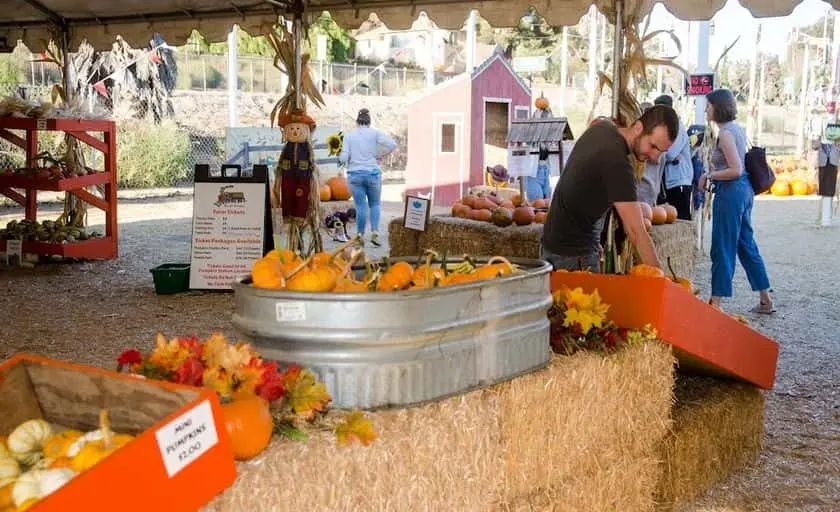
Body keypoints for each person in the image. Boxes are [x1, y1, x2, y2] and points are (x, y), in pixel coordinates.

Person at [541, 105, 680, 272]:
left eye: (661, 152)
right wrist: (662, 283)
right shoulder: (617, 162)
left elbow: (588, 188)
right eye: (653, 146)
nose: (655, 157)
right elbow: (636, 232)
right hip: (573, 255)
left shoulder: (602, 128)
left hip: (553, 246)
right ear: (637, 128)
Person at [697, 89, 774, 313]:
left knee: (722, 246)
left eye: (708, 106)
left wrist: (709, 176)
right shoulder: (737, 130)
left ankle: (716, 303)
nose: (705, 109)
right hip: (744, 192)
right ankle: (765, 299)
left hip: (731, 192)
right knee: (746, 245)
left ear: (718, 108)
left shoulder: (726, 134)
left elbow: (735, 169)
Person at [338, 108, 397, 247]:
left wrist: (341, 159)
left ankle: (359, 236)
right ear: (369, 122)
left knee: (360, 206)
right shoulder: (375, 133)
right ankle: (375, 232)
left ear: (357, 122)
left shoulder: (349, 136)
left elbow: (344, 157)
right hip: (373, 174)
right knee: (375, 204)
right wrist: (379, 155)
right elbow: (392, 145)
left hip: (355, 175)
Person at [653, 95, 694, 220]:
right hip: (669, 181)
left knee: (681, 218)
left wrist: (658, 150)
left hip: (679, 181)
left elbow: (670, 153)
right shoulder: (666, 127)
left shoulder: (677, 127)